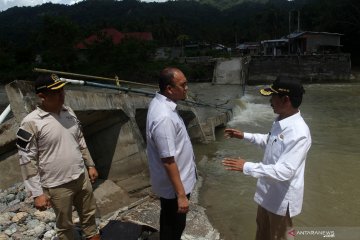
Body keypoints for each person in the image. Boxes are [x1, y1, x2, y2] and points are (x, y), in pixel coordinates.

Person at [222, 76, 312, 240]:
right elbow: (270, 141)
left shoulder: (299, 133)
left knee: (280, 236)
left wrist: (246, 166)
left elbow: (285, 172)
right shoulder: (281, 120)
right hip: (267, 193)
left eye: (273, 97)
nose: (270, 101)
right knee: (262, 232)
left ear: (285, 99)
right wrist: (244, 135)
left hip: (281, 200)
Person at [16, 74, 101, 240]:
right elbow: (27, 160)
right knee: (65, 226)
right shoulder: (30, 122)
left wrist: (90, 164)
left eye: (62, 91)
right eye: (56, 92)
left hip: (81, 177)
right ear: (42, 96)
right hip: (56, 185)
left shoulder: (68, 111)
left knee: (90, 217)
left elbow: (80, 139)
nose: (62, 96)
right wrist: (37, 193)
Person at [146, 67, 197, 240]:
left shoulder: (161, 103)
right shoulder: (164, 117)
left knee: (169, 220)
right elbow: (168, 160)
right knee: (174, 226)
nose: (186, 88)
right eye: (183, 85)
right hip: (175, 187)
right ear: (169, 89)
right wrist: (181, 196)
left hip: (174, 184)